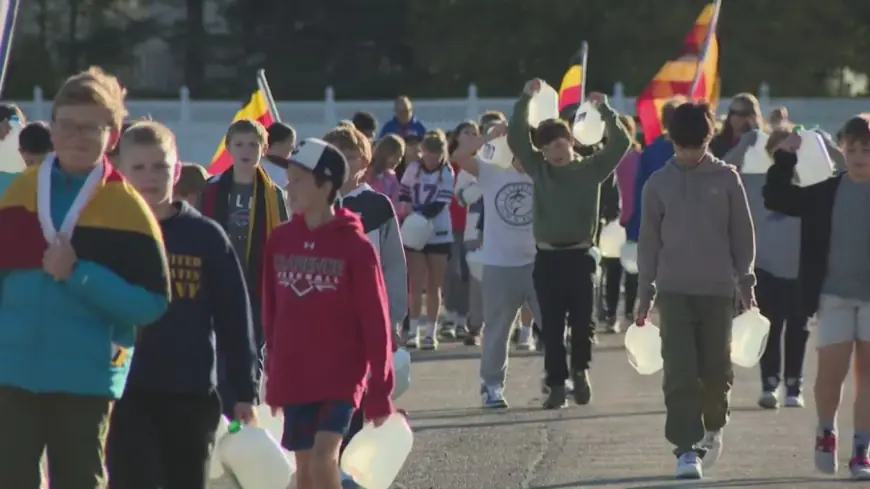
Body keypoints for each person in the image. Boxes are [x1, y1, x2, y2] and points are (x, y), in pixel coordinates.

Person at [0, 66, 171, 489]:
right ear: (51, 128)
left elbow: (151, 303)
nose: (78, 136)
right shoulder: (19, 191)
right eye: (68, 125)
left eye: (91, 127)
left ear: (112, 135)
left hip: (84, 380)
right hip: (11, 375)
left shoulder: (127, 208)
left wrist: (79, 274)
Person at [105, 121, 258, 489]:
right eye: (138, 168)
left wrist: (242, 389)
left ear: (177, 171)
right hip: (123, 391)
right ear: (120, 172)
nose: (150, 177)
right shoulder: (106, 232)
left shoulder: (205, 236)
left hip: (189, 393)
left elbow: (234, 317)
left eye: (160, 167)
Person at [261, 137, 395, 489]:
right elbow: (272, 314)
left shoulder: (355, 245)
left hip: (340, 374)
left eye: (298, 179)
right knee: (304, 470)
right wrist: (274, 378)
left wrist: (380, 390)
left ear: (325, 184)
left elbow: (376, 320)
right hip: (295, 373)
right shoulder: (280, 239)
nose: (288, 187)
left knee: (324, 458)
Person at [636, 101, 755, 480]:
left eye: (697, 146)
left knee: (716, 370)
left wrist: (747, 284)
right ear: (672, 140)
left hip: (718, 290)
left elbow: (742, 236)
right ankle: (686, 448)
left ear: (708, 139)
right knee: (680, 370)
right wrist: (644, 291)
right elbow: (649, 242)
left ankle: (713, 424)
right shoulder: (658, 184)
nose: (689, 155)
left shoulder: (727, 179)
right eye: (682, 146)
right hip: (673, 290)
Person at [508, 78, 631, 409]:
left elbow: (621, 142)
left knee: (581, 322)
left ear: (571, 142)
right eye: (547, 148)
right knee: (550, 325)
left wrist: (603, 108)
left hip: (580, 257)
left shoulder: (591, 170)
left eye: (559, 145)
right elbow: (516, 137)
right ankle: (557, 383)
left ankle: (580, 370)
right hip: (547, 259)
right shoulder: (539, 169)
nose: (555, 153)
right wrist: (525, 98)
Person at [763, 114, 870, 479]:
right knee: (831, 374)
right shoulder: (827, 191)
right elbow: (776, 197)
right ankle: (827, 430)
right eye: (852, 148)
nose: (858, 156)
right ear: (842, 149)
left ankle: (862, 449)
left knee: (868, 376)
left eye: (866, 150)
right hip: (833, 296)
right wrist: (786, 156)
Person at [199, 118, 289, 417]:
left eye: (253, 144)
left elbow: (283, 240)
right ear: (228, 148)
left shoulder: (274, 195)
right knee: (219, 353)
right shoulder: (211, 191)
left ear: (264, 148)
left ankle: (249, 414)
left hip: (258, 282)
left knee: (252, 351)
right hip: (218, 282)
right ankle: (222, 416)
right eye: (239, 144)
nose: (246, 150)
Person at [453, 122, 542, 408]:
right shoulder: (492, 172)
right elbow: (459, 157)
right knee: (497, 331)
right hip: (499, 264)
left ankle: (558, 378)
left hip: (539, 263)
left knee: (553, 326)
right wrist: (486, 138)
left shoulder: (545, 174)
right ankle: (492, 386)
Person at [723, 126, 811, 409]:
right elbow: (724, 169)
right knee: (769, 326)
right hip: (765, 266)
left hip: (801, 267)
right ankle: (770, 383)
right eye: (780, 147)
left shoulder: (811, 182)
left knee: (799, 326)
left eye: (792, 147)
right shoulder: (753, 180)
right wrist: (745, 143)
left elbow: (845, 171)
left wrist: (826, 147)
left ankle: (794, 385)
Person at [399, 130, 454, 350]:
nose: (432, 160)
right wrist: (409, 210)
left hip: (438, 232)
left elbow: (441, 202)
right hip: (414, 230)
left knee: (434, 285)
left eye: (436, 155)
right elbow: (403, 193)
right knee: (415, 284)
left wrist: (420, 214)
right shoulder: (413, 169)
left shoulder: (447, 172)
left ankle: (431, 332)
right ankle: (413, 331)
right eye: (428, 155)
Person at [441, 121, 481, 339]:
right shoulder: (450, 162)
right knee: (452, 273)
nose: (470, 136)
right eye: (466, 132)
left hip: (474, 226)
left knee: (469, 273)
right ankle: (450, 314)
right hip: (452, 224)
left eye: (474, 133)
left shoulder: (483, 162)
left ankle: (463, 319)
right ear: (456, 137)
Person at [625, 98, 682, 243]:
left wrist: (635, 228)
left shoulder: (650, 152)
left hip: (652, 224)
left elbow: (640, 192)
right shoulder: (691, 154)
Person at [612, 115, 641, 325]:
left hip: (634, 219)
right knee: (612, 269)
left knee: (632, 269)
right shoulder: (606, 158)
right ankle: (612, 313)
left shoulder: (640, 157)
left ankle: (630, 311)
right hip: (613, 221)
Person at [709, 93, 765, 158]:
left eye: (741, 113)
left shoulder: (759, 143)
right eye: (732, 112)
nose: (734, 117)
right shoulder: (716, 142)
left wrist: (756, 131)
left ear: (751, 116)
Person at [367, 134, 405, 209]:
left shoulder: (391, 177)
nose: (398, 160)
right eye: (395, 155)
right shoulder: (367, 173)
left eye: (401, 156)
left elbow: (395, 201)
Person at [261, 121, 297, 187]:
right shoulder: (255, 168)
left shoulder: (291, 171)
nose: (293, 147)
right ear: (276, 144)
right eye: (291, 142)